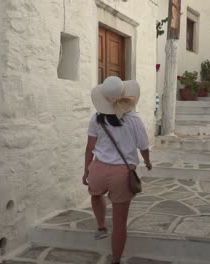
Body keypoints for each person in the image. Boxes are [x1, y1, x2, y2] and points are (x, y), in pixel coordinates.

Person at [82, 76, 152, 264]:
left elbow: (89, 147)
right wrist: (147, 161)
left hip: (98, 168)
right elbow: (143, 147)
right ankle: (115, 261)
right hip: (122, 173)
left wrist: (86, 171)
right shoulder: (134, 120)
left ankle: (101, 226)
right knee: (120, 224)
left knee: (96, 195)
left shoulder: (96, 119)